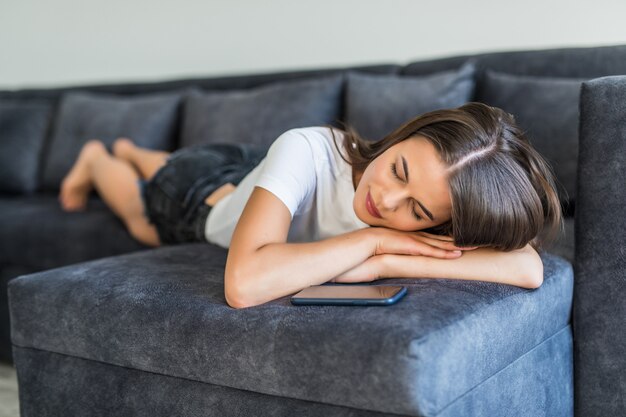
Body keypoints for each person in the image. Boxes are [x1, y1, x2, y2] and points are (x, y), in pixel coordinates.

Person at [59, 102, 562, 309]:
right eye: (399, 170)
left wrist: (386, 262)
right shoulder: (307, 147)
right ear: (406, 135)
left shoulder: (442, 206)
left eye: (418, 212)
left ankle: (139, 155)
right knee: (142, 215)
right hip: (197, 197)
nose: (386, 201)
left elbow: (528, 267)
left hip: (257, 176)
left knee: (179, 166)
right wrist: (373, 241)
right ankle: (104, 157)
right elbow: (244, 283)